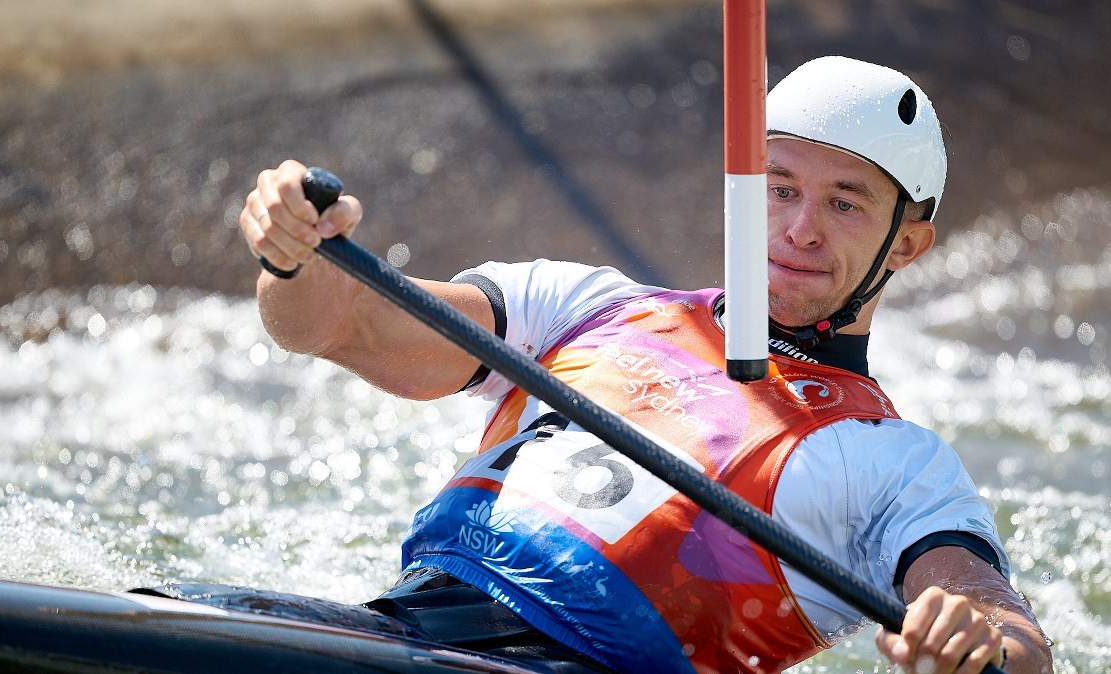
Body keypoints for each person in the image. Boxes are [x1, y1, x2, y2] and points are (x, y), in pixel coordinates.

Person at [239, 56, 1053, 674]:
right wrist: (294, 258)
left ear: (905, 244)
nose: (802, 228)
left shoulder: (895, 462)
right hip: (398, 630)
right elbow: (340, 325)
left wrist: (976, 640)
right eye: (778, 188)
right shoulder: (586, 305)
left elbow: (1008, 627)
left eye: (844, 202)